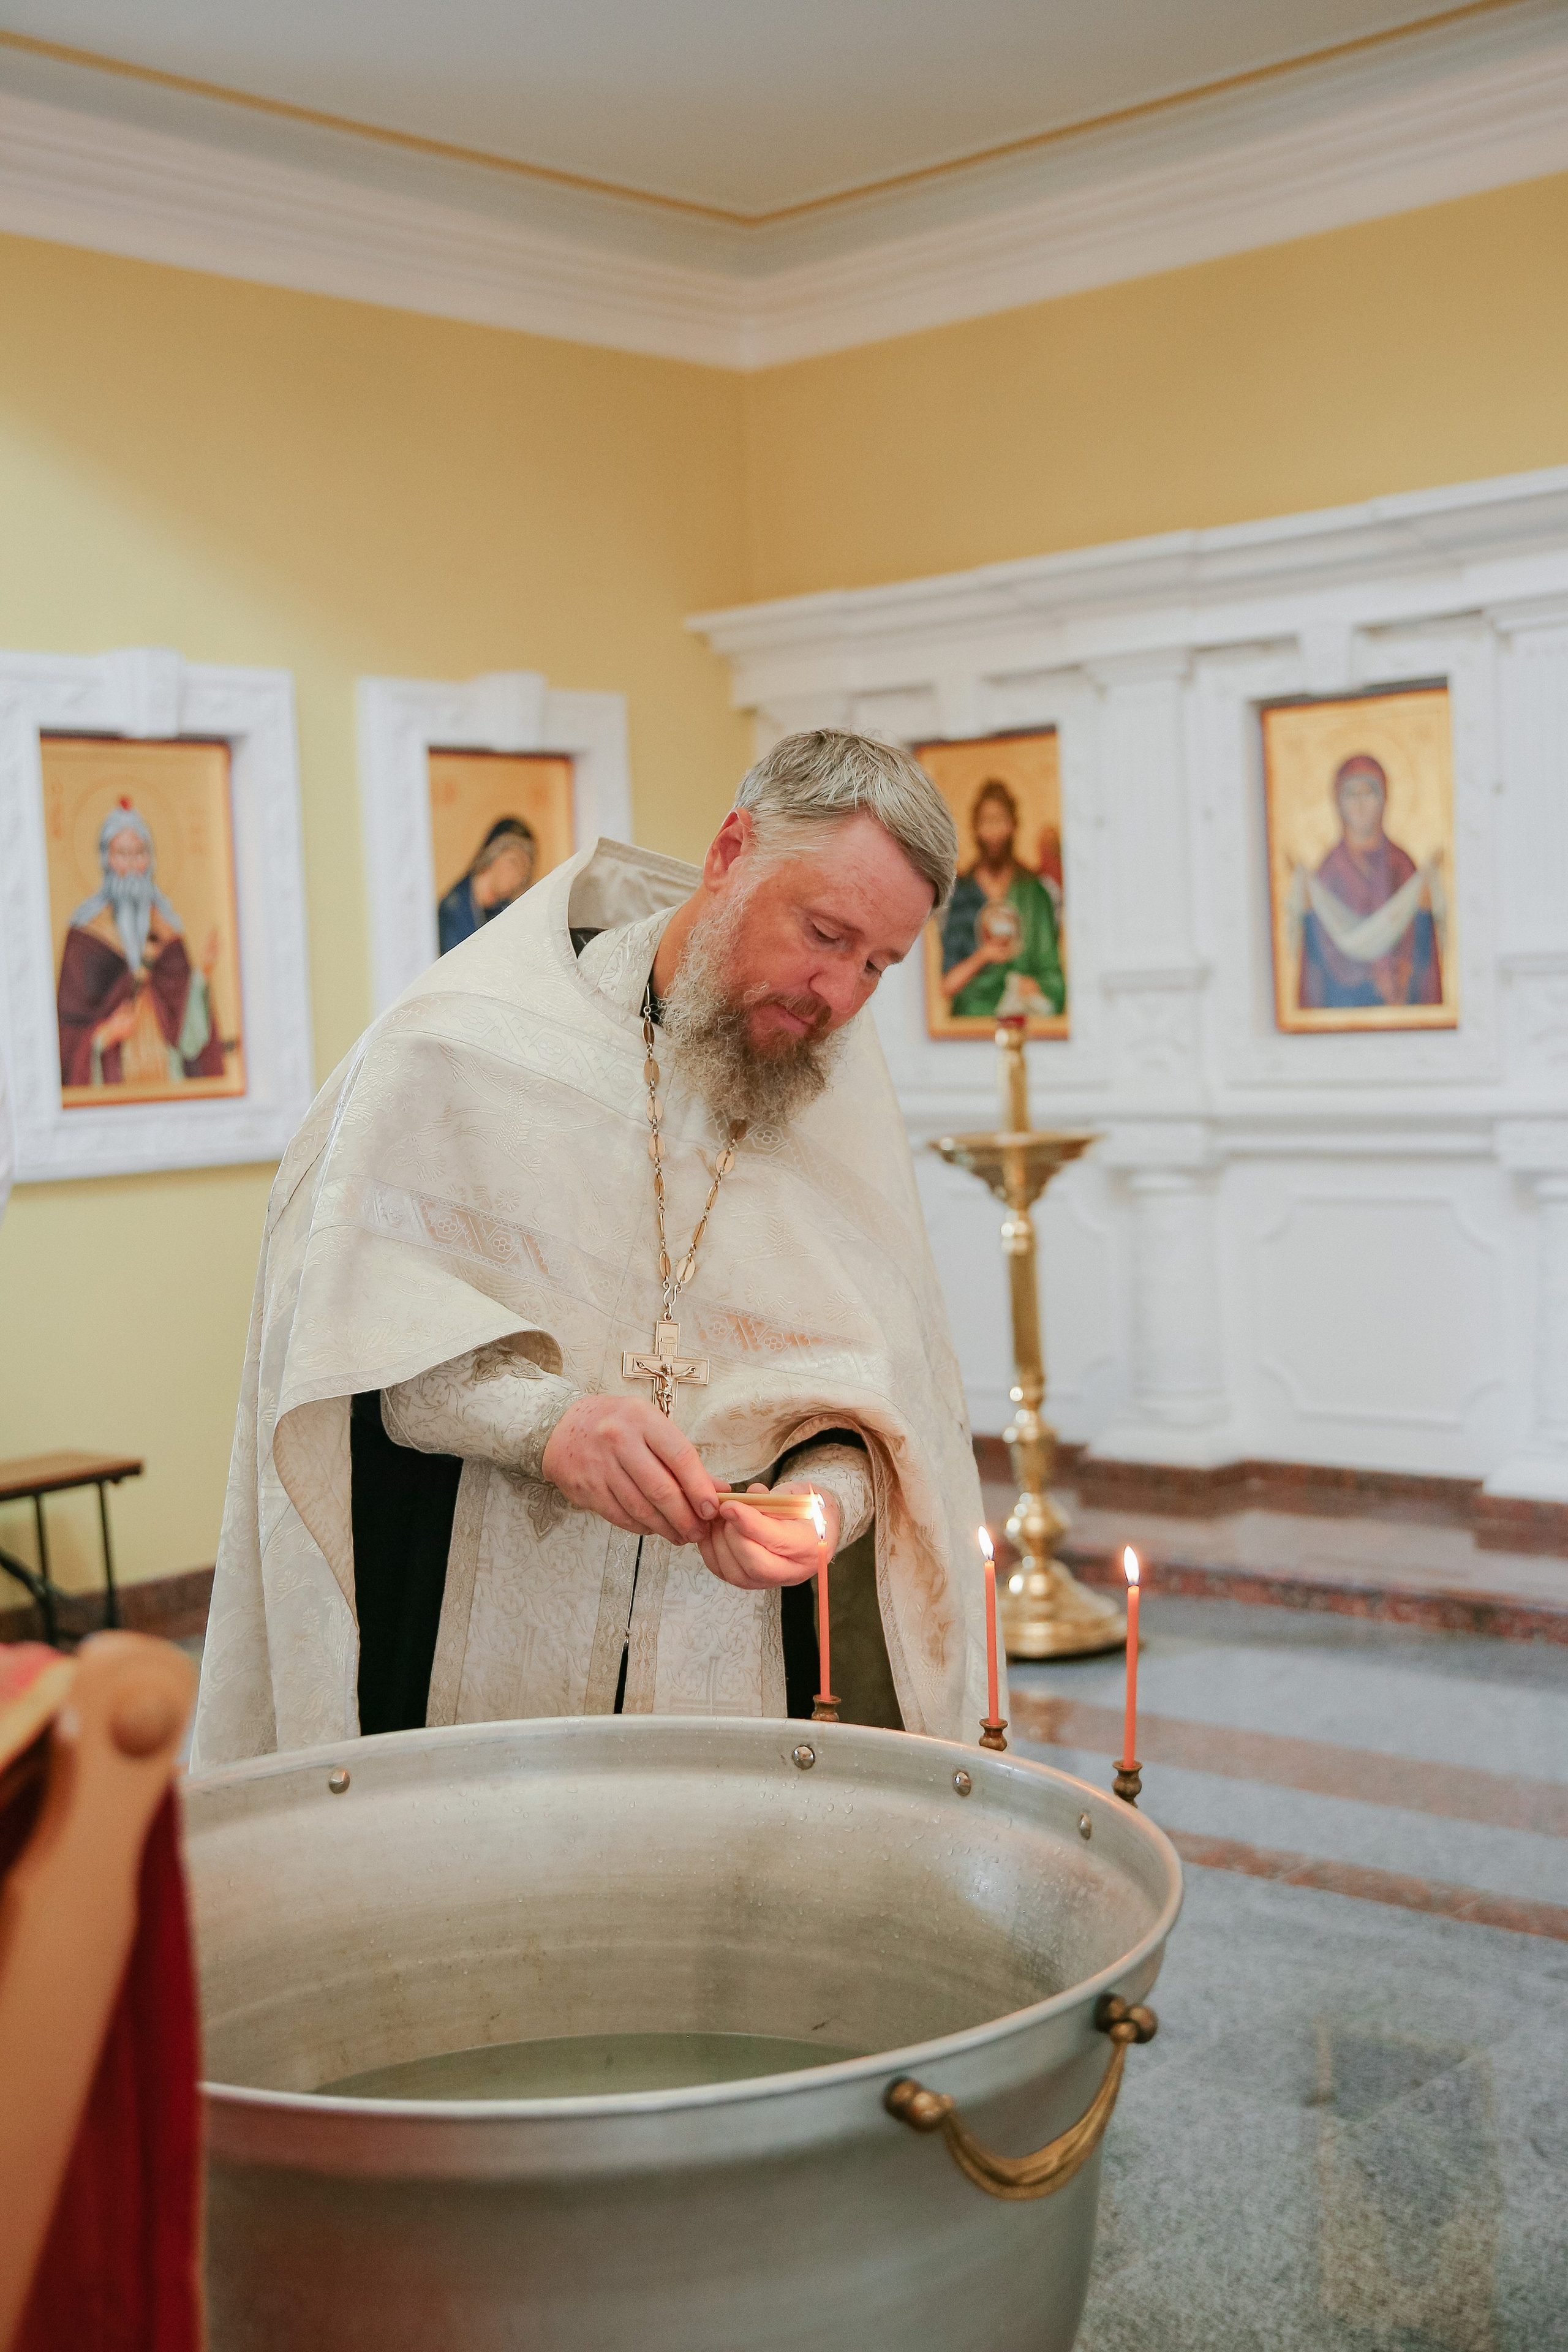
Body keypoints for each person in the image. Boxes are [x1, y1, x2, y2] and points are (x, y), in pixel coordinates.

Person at [193, 731, 990, 1765]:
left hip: (727, 1666)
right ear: (730, 852)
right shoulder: (465, 1043)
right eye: (826, 934)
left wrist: (822, 1507)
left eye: (878, 965)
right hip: (479, 1650)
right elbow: (352, 1354)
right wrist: (551, 1427)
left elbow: (877, 1410)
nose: (839, 994)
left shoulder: (839, 1113)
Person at [56, 802, 225, 1090]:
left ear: (150, 858)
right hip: (108, 1080)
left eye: (139, 853)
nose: (133, 865)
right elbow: (67, 1030)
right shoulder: (86, 935)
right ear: (107, 859)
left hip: (168, 1078)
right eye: (122, 854)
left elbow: (189, 1037)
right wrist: (104, 1035)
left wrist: (201, 978)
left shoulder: (167, 931)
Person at [1294, 755, 1443, 1009]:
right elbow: (1316, 955)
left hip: (1398, 997)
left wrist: (1423, 911)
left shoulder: (1401, 864)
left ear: (1383, 799)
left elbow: (1421, 945)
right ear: (1338, 802)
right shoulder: (1330, 871)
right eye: (1351, 795)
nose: (1360, 804)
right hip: (1342, 1000)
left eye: (1369, 793)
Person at [940, 780, 1065, 1019]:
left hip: (1025, 1017)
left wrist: (1033, 985)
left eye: (1000, 821)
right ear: (976, 828)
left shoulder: (1035, 892)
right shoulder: (962, 894)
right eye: (986, 822)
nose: (994, 832)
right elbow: (948, 984)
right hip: (974, 1019)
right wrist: (984, 956)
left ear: (1013, 825)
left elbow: (1054, 978)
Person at [437, 817, 536, 954]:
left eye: (524, 871)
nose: (518, 876)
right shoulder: (452, 912)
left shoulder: (504, 911)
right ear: (490, 857)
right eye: (513, 862)